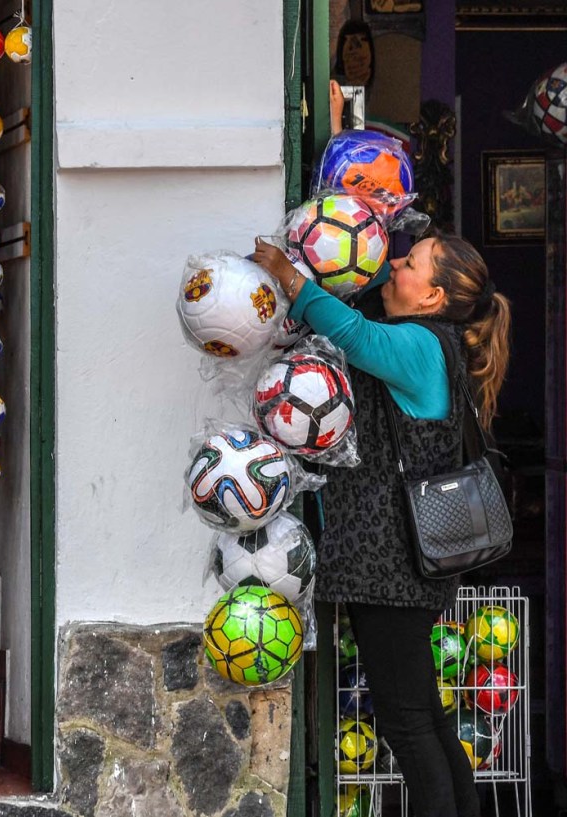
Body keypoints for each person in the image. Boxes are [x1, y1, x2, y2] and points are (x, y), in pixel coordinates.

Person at [253, 233, 511, 817]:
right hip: (399, 569)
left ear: (433, 296)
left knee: (408, 724)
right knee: (427, 718)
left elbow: (354, 335)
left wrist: (287, 277)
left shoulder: (420, 344)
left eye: (410, 263)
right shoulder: (433, 340)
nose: (395, 265)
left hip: (390, 569)